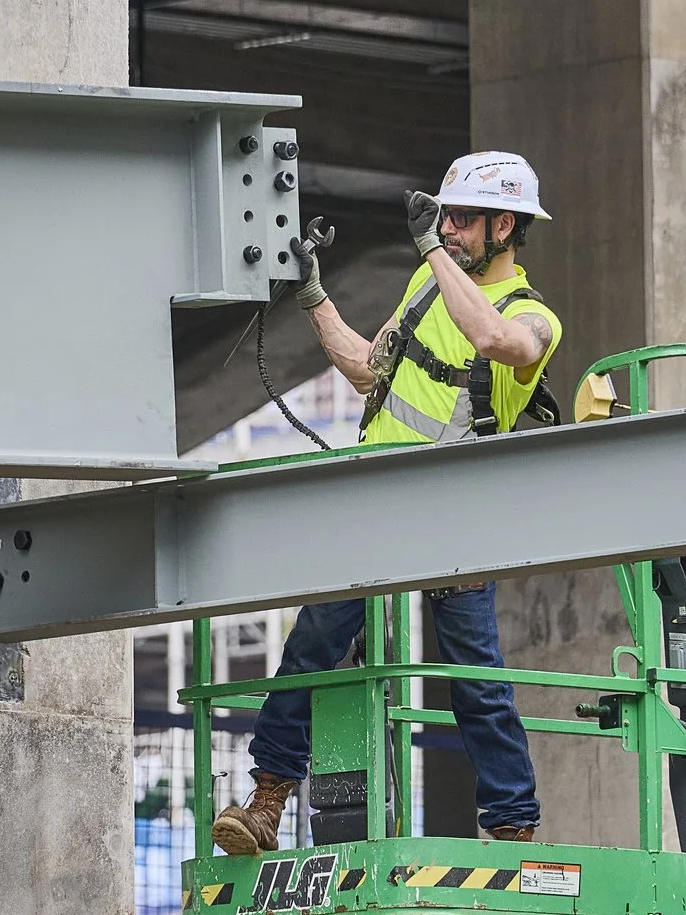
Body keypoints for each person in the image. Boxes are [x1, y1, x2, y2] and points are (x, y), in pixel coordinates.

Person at [211, 152, 563, 854]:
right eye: (445, 217)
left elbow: (495, 340)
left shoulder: (534, 317)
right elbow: (368, 366)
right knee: (312, 645)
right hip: (379, 505)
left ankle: (512, 825)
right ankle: (267, 802)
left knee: (473, 677)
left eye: (463, 218)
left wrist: (433, 248)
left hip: (453, 515)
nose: (450, 228)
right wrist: (316, 298)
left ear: (505, 226)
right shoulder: (428, 288)